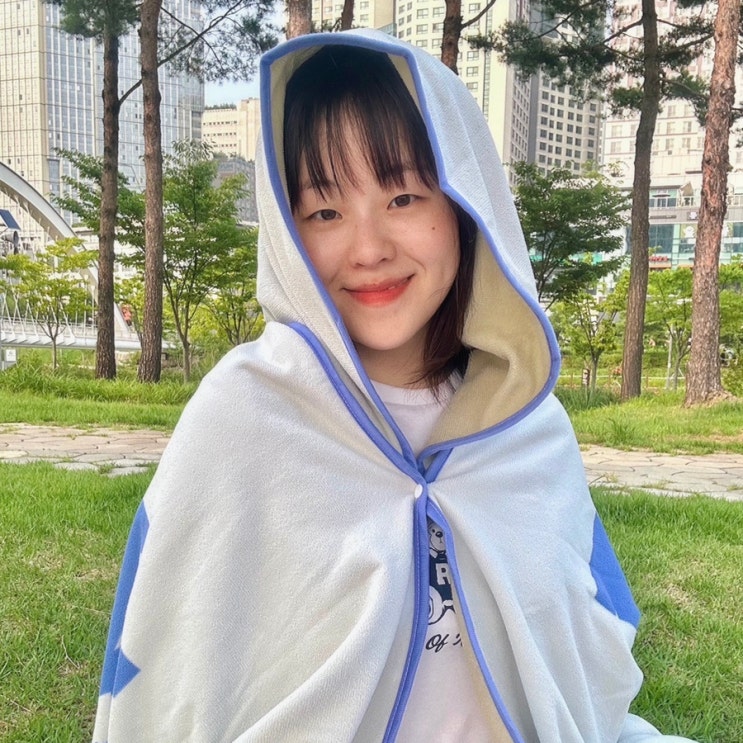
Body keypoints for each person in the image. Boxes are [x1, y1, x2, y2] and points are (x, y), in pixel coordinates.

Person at [92, 30, 697, 743]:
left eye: (403, 196)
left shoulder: (528, 425)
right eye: (324, 211)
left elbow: (591, 649)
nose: (369, 248)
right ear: (286, 228)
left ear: (463, 205)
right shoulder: (242, 417)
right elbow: (161, 670)